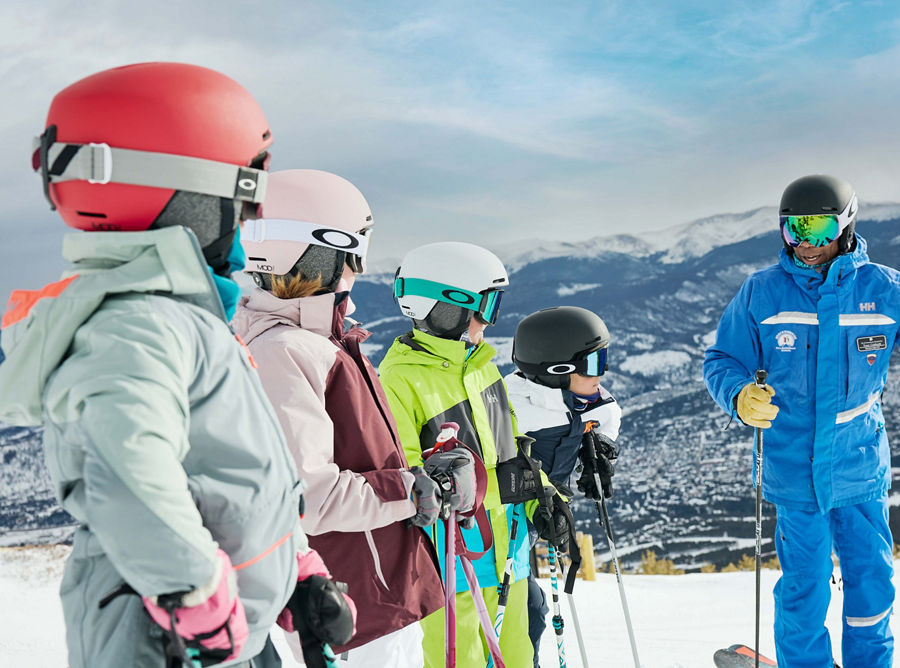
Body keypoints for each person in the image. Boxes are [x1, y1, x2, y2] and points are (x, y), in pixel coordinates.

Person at [0, 63, 353, 668]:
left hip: (228, 624)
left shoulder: (183, 319)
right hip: (162, 632)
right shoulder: (134, 327)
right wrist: (193, 590)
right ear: (180, 195)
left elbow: (235, 467)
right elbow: (126, 470)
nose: (244, 226)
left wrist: (295, 562)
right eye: (237, 200)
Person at [703, 174, 900, 668]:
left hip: (860, 471)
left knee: (870, 589)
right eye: (793, 229)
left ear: (845, 225)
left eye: (818, 228)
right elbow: (722, 360)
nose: (805, 242)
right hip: (794, 473)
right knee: (804, 592)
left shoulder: (886, 291)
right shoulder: (762, 293)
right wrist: (738, 395)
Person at [234, 169, 474, 666]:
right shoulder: (286, 351)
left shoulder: (322, 339)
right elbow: (311, 495)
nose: (358, 269)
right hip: (351, 605)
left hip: (377, 590)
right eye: (355, 252)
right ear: (320, 252)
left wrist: (424, 475)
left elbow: (361, 455)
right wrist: (410, 489)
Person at [378, 242, 573, 668]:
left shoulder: (481, 367)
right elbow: (406, 479)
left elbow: (514, 449)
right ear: (447, 307)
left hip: (510, 553)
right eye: (485, 306)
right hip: (454, 561)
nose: (489, 320)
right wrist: (455, 486)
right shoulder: (398, 381)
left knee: (519, 654)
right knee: (460, 659)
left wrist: (544, 496)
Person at [505, 305, 621, 666]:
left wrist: (598, 451)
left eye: (604, 358)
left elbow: (606, 416)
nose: (602, 373)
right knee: (528, 610)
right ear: (556, 370)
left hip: (537, 525)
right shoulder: (513, 412)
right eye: (593, 364)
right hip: (502, 531)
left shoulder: (591, 402)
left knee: (532, 609)